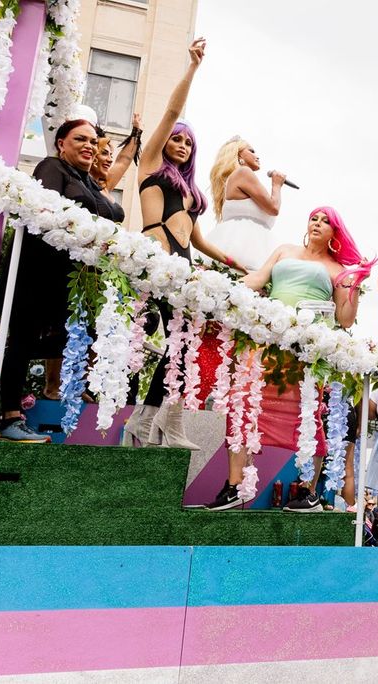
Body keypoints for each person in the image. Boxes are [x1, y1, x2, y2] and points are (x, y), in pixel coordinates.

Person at [205, 206, 376, 511]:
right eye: (314, 218)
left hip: (304, 355)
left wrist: (356, 283)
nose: (317, 224)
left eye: (325, 221)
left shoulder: (338, 269)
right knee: (243, 404)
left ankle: (308, 491)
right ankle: (234, 486)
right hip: (266, 343)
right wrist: (219, 288)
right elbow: (257, 279)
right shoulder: (284, 250)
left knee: (308, 416)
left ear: (335, 232)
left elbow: (345, 319)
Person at [123, 39, 242, 449]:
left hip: (184, 265)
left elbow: (200, 241)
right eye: (177, 139)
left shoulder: (189, 191)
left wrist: (238, 265)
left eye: (188, 143)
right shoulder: (150, 167)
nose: (182, 145)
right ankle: (158, 422)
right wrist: (192, 68)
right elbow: (172, 113)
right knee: (180, 339)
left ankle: (152, 420)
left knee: (186, 343)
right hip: (157, 260)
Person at [0, 120, 123, 442]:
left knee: (81, 337)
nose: (89, 146)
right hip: (38, 272)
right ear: (61, 143)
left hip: (72, 280)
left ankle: (68, 389)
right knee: (22, 341)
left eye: (93, 141)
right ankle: (10, 416)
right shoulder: (52, 167)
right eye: (80, 139)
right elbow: (45, 213)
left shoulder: (89, 181)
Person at [204, 136, 286, 272]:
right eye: (251, 151)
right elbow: (273, 208)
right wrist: (276, 185)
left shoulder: (235, 178)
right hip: (247, 245)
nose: (257, 156)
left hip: (249, 243)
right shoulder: (243, 172)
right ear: (238, 154)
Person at [89, 112, 142, 214]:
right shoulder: (77, 181)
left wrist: (137, 131)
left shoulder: (105, 185)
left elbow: (123, 160)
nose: (110, 160)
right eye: (104, 153)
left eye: (111, 155)